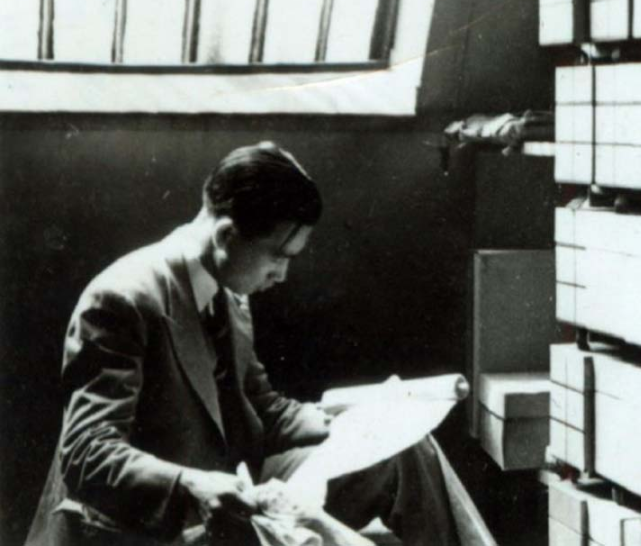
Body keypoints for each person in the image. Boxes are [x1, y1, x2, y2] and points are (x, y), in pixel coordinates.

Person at [25, 142, 462, 546]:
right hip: (155, 523)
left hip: (234, 494)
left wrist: (348, 424)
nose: (282, 275)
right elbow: (86, 453)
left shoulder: (227, 290)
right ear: (226, 236)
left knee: (408, 451)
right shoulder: (123, 298)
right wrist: (190, 484)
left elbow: (258, 408)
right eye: (278, 256)